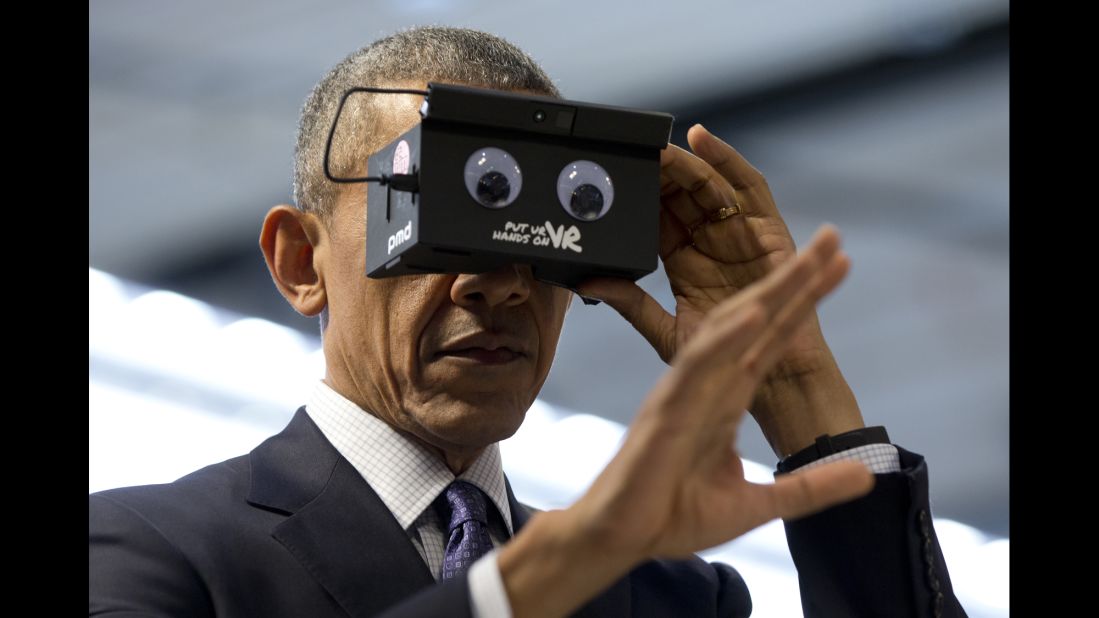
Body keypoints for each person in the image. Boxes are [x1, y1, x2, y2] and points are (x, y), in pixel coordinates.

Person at [89, 26, 966, 617]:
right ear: (298, 263)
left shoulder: (672, 600)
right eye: (438, 213)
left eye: (543, 232)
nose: (499, 282)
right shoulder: (152, 554)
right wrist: (541, 578)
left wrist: (795, 391)